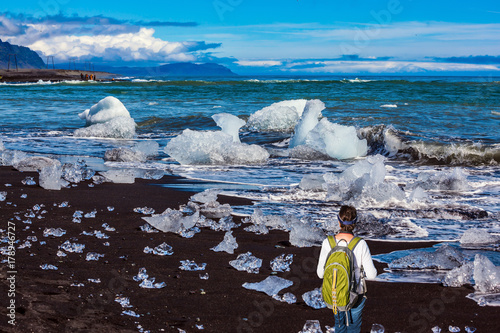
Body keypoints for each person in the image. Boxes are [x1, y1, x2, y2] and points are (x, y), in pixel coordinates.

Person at [316, 205, 377, 333]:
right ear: (355, 223)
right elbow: (372, 275)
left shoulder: (328, 242)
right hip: (356, 295)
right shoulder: (361, 243)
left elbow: (320, 274)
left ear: (339, 222)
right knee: (353, 328)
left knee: (339, 325)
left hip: (335, 293)